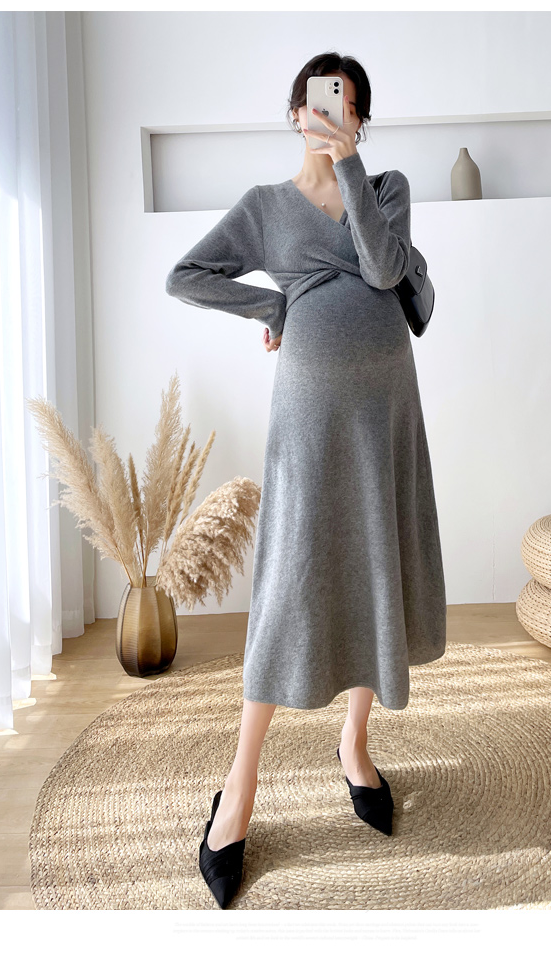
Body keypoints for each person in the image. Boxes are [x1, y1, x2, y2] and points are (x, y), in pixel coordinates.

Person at [165, 52, 447, 907]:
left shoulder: (385, 187)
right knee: (290, 582)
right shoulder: (263, 207)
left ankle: (354, 743)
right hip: (309, 419)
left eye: (349, 107)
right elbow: (186, 275)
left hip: (384, 409)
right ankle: (239, 788)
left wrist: (350, 167)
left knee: (374, 564)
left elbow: (385, 269)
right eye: (323, 104)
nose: (334, 115)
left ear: (360, 121)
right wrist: (272, 303)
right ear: (297, 113)